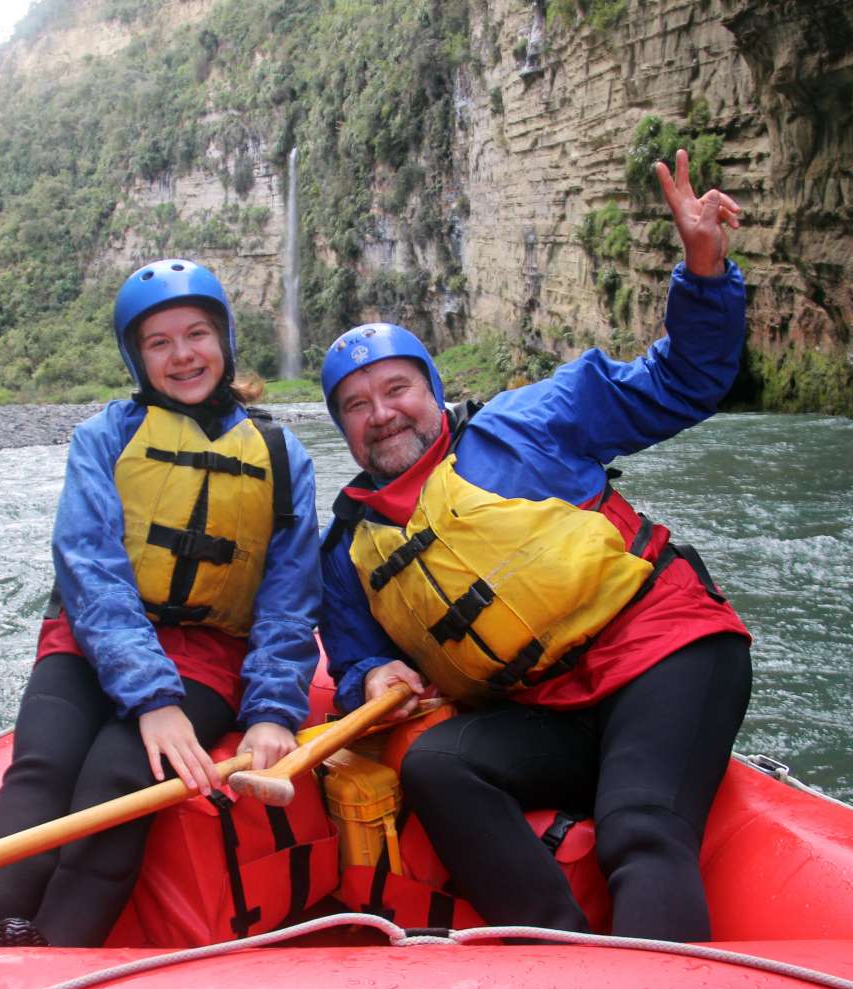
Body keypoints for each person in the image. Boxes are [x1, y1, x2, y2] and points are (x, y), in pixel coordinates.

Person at [317, 148, 751, 942]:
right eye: (355, 404)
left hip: (664, 655)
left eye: (396, 389)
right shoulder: (348, 549)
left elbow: (687, 379)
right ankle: (555, 945)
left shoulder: (529, 420)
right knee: (434, 765)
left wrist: (703, 270)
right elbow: (351, 660)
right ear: (340, 427)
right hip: (550, 712)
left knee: (640, 829)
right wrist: (373, 672)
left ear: (432, 391)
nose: (381, 414)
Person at [0, 259, 320, 985]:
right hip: (94, 639)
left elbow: (288, 598)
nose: (182, 355)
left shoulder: (283, 457)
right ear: (136, 356)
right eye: (158, 342)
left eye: (196, 334)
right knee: (42, 768)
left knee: (120, 775)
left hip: (205, 655)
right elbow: (89, 568)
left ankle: (47, 962)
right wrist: (149, 695)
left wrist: (272, 708)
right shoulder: (104, 436)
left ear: (225, 342)